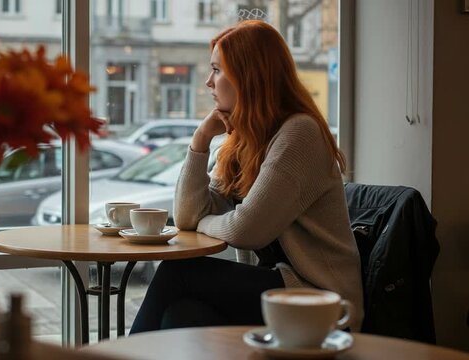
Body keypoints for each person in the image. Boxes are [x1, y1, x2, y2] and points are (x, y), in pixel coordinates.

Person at [130, 20, 363, 334]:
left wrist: (205, 223)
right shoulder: (246, 140)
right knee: (182, 314)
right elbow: (187, 217)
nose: (209, 83)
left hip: (321, 302)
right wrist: (200, 139)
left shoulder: (299, 133)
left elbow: (246, 230)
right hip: (275, 289)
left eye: (217, 70)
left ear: (249, 77)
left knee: (178, 273)